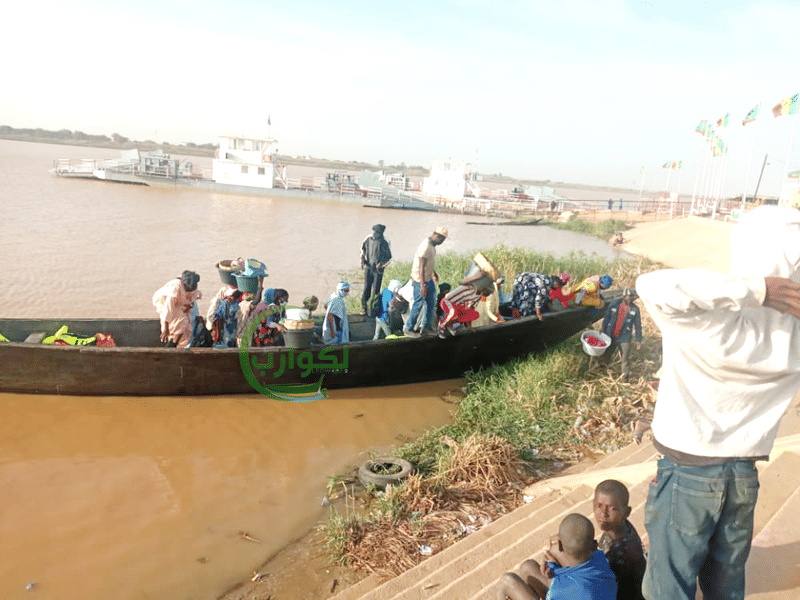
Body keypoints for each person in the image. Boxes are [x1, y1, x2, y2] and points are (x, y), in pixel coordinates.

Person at [635, 205, 800, 600]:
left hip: (686, 470)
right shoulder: (793, 335)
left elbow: (651, 285)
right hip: (742, 473)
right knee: (725, 584)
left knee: (668, 586)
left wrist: (756, 290)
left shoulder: (712, 320)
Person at [497, 513, 617, 600]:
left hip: (576, 592)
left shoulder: (560, 590)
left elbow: (563, 588)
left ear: (560, 545)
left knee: (507, 581)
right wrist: (552, 570)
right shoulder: (599, 558)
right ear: (595, 545)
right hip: (587, 591)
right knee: (528, 567)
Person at [593, 480, 647, 600]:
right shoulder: (619, 528)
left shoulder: (623, 552)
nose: (603, 514)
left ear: (627, 512)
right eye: (599, 506)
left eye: (612, 508)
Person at [438, 253, 505, 337]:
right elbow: (462, 282)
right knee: (453, 312)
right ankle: (441, 327)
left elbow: (470, 309)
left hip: (457, 306)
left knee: (473, 314)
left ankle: (450, 325)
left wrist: (470, 327)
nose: (488, 294)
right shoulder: (470, 287)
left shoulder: (478, 296)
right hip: (447, 301)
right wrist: (477, 276)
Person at [405, 226, 448, 337]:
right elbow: (421, 267)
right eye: (442, 240)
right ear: (437, 236)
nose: (442, 242)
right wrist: (422, 285)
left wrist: (433, 273)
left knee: (431, 302)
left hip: (428, 278)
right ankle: (409, 328)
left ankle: (426, 327)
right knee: (418, 304)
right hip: (420, 280)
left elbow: (429, 263)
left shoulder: (432, 246)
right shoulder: (426, 246)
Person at [601, 287, 643, 381]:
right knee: (607, 354)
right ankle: (602, 372)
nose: (629, 299)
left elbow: (638, 325)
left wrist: (638, 340)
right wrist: (603, 328)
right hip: (611, 335)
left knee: (625, 359)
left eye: (631, 297)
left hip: (625, 337)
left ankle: (625, 378)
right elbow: (607, 317)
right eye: (628, 297)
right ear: (623, 296)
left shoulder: (635, 309)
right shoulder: (614, 304)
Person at [152, 270, 201, 348]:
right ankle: (172, 343)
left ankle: (180, 345)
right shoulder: (175, 287)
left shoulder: (192, 285)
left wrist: (189, 306)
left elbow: (193, 297)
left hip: (180, 303)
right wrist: (165, 328)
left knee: (188, 325)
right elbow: (168, 309)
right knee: (180, 320)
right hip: (163, 302)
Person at [360, 224, 392, 314]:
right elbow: (362, 251)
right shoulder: (368, 239)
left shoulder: (385, 241)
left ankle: (373, 309)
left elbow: (389, 259)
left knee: (376, 290)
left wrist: (382, 265)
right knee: (366, 288)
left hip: (379, 269)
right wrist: (362, 262)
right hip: (369, 266)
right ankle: (364, 308)